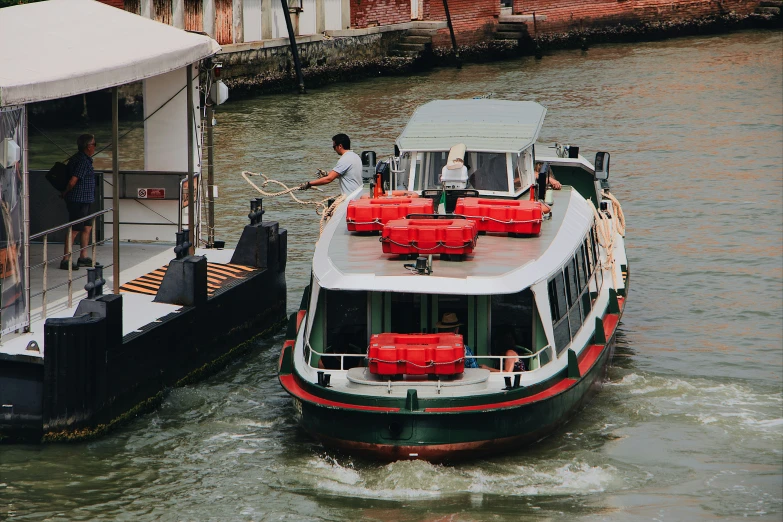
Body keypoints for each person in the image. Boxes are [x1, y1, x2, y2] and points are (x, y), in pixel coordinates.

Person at [60, 134, 96, 270]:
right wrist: (65, 192)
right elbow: (73, 181)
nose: (94, 147)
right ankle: (66, 259)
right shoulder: (82, 161)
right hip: (78, 200)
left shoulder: (82, 159)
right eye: (94, 144)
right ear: (88, 147)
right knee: (74, 229)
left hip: (86, 199)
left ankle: (83, 256)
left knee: (87, 227)